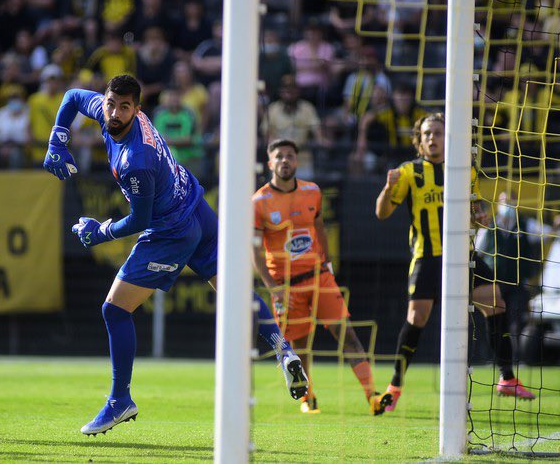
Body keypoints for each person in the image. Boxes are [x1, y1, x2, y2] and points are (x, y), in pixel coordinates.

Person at [43, 75, 308, 436]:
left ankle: (120, 400)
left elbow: (139, 219)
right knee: (231, 292)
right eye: (110, 104)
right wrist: (57, 139)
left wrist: (99, 231)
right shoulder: (111, 114)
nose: (115, 113)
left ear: (137, 110)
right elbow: (73, 95)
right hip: (196, 203)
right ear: (105, 101)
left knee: (115, 310)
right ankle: (282, 349)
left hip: (172, 229)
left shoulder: (135, 158)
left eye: (124, 107)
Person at [375, 113, 535, 411]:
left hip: (463, 257)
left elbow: (474, 211)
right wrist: (387, 188)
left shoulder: (463, 170)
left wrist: (479, 217)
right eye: (427, 134)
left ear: (448, 138)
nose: (433, 138)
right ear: (419, 141)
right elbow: (381, 213)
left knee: (496, 301)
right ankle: (395, 385)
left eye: (438, 132)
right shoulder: (408, 172)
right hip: (428, 257)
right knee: (416, 319)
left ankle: (507, 377)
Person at [253, 139, 393, 416]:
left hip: (319, 277)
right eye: (279, 156)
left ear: (297, 161)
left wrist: (327, 263)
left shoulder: (312, 191)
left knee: (348, 334)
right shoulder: (259, 202)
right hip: (287, 287)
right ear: (270, 163)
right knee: (301, 347)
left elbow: (320, 227)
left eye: (290, 156)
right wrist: (272, 286)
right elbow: (255, 249)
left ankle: (373, 396)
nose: (285, 160)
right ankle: (308, 397)